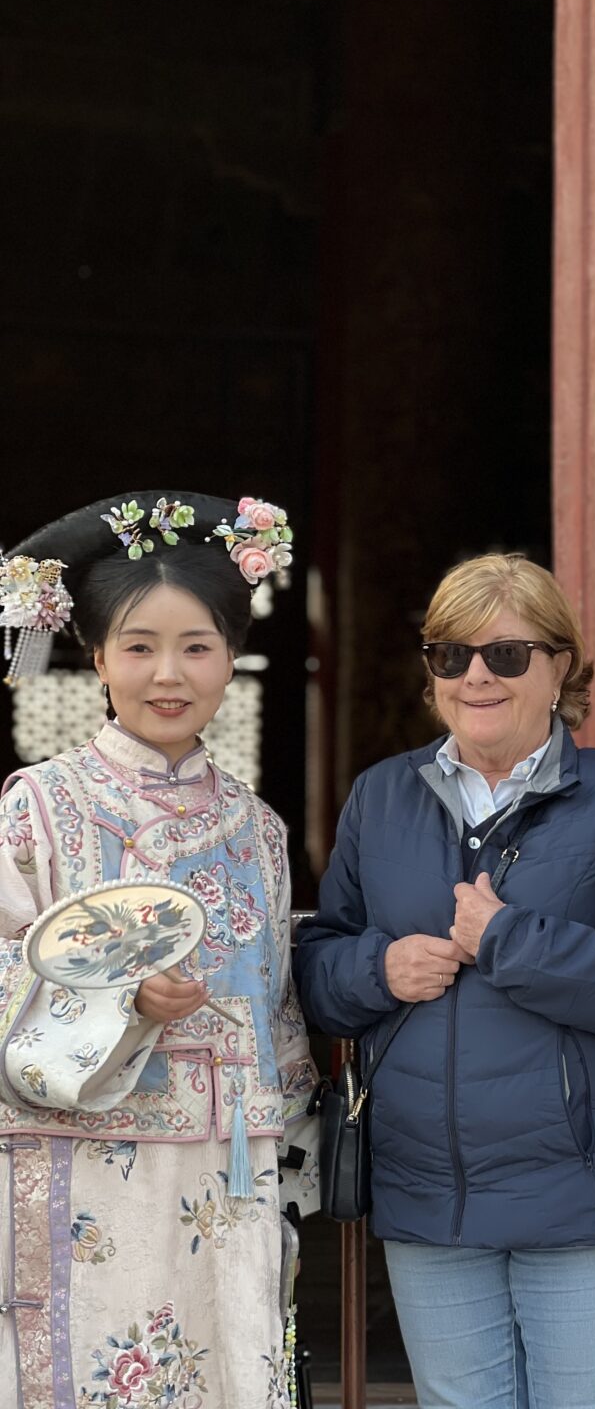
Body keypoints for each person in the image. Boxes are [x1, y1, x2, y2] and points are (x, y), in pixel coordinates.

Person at [293, 552, 595, 1409]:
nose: (476, 676)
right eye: (451, 655)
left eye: (507, 656)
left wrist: (509, 939)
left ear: (560, 667)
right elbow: (322, 977)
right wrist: (380, 967)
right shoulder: (381, 797)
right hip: (426, 1195)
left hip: (590, 1197)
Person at [0, 492, 317, 1409]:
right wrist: (124, 1005)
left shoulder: (255, 828)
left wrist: (289, 1142)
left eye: (197, 647)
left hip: (232, 1169)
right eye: (138, 647)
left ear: (231, 658)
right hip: (77, 1161)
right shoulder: (40, 806)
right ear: (96, 657)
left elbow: (277, 1009)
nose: (167, 674)